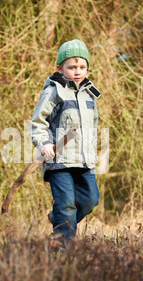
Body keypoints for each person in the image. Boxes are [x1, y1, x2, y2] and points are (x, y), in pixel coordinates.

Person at [30, 39, 101, 247]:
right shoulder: (54, 91)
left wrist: (93, 153)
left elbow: (93, 127)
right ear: (60, 68)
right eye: (71, 67)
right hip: (59, 160)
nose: (77, 71)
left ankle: (58, 219)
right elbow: (37, 122)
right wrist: (43, 144)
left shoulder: (90, 94)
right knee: (67, 205)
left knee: (90, 200)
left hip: (84, 160)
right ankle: (63, 248)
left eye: (82, 67)